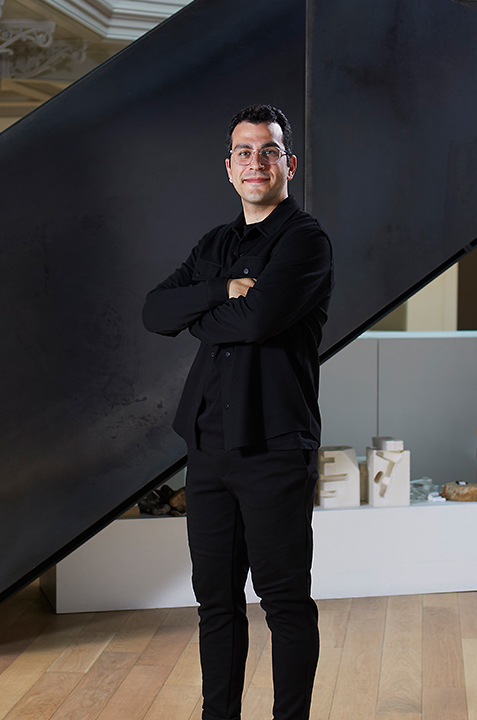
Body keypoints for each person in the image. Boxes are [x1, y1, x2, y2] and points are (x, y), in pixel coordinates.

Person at [142, 104, 334, 720]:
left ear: (289, 164)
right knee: (216, 603)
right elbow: (155, 311)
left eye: (268, 151)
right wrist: (222, 290)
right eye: (244, 152)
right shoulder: (216, 245)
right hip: (207, 445)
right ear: (229, 168)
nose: (256, 162)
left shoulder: (305, 241)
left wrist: (200, 315)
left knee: (284, 602)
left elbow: (256, 322)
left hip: (275, 445)